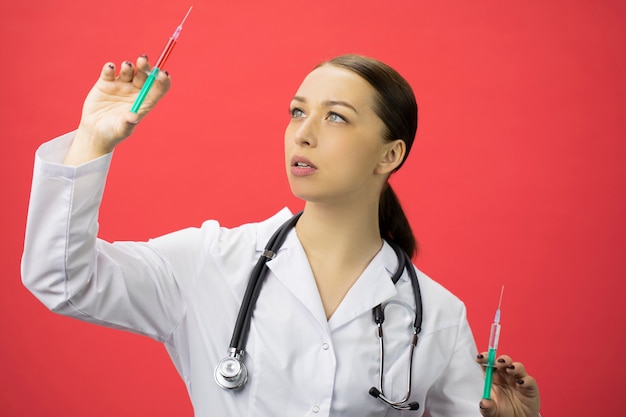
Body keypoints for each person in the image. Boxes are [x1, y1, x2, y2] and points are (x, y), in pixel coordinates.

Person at [21, 53, 540, 417]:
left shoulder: (439, 317)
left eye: (335, 117)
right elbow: (62, 279)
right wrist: (93, 138)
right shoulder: (209, 263)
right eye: (298, 111)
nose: (303, 131)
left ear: (391, 155)